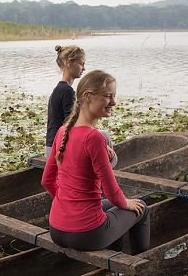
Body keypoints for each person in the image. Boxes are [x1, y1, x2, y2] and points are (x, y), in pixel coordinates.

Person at [42, 70, 150, 253]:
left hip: (56, 229)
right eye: (108, 96)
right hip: (86, 234)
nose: (113, 102)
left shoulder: (62, 131)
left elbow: (46, 181)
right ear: (87, 96)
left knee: (115, 206)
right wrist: (125, 203)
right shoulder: (93, 137)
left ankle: (114, 256)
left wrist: (69, 203)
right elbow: (111, 190)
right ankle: (142, 265)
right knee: (142, 208)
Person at [45, 44, 117, 166]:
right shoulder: (67, 91)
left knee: (101, 136)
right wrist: (102, 145)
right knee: (104, 137)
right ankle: (103, 176)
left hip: (51, 145)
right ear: (69, 63)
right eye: (81, 64)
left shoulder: (58, 89)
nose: (84, 68)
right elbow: (71, 125)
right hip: (58, 148)